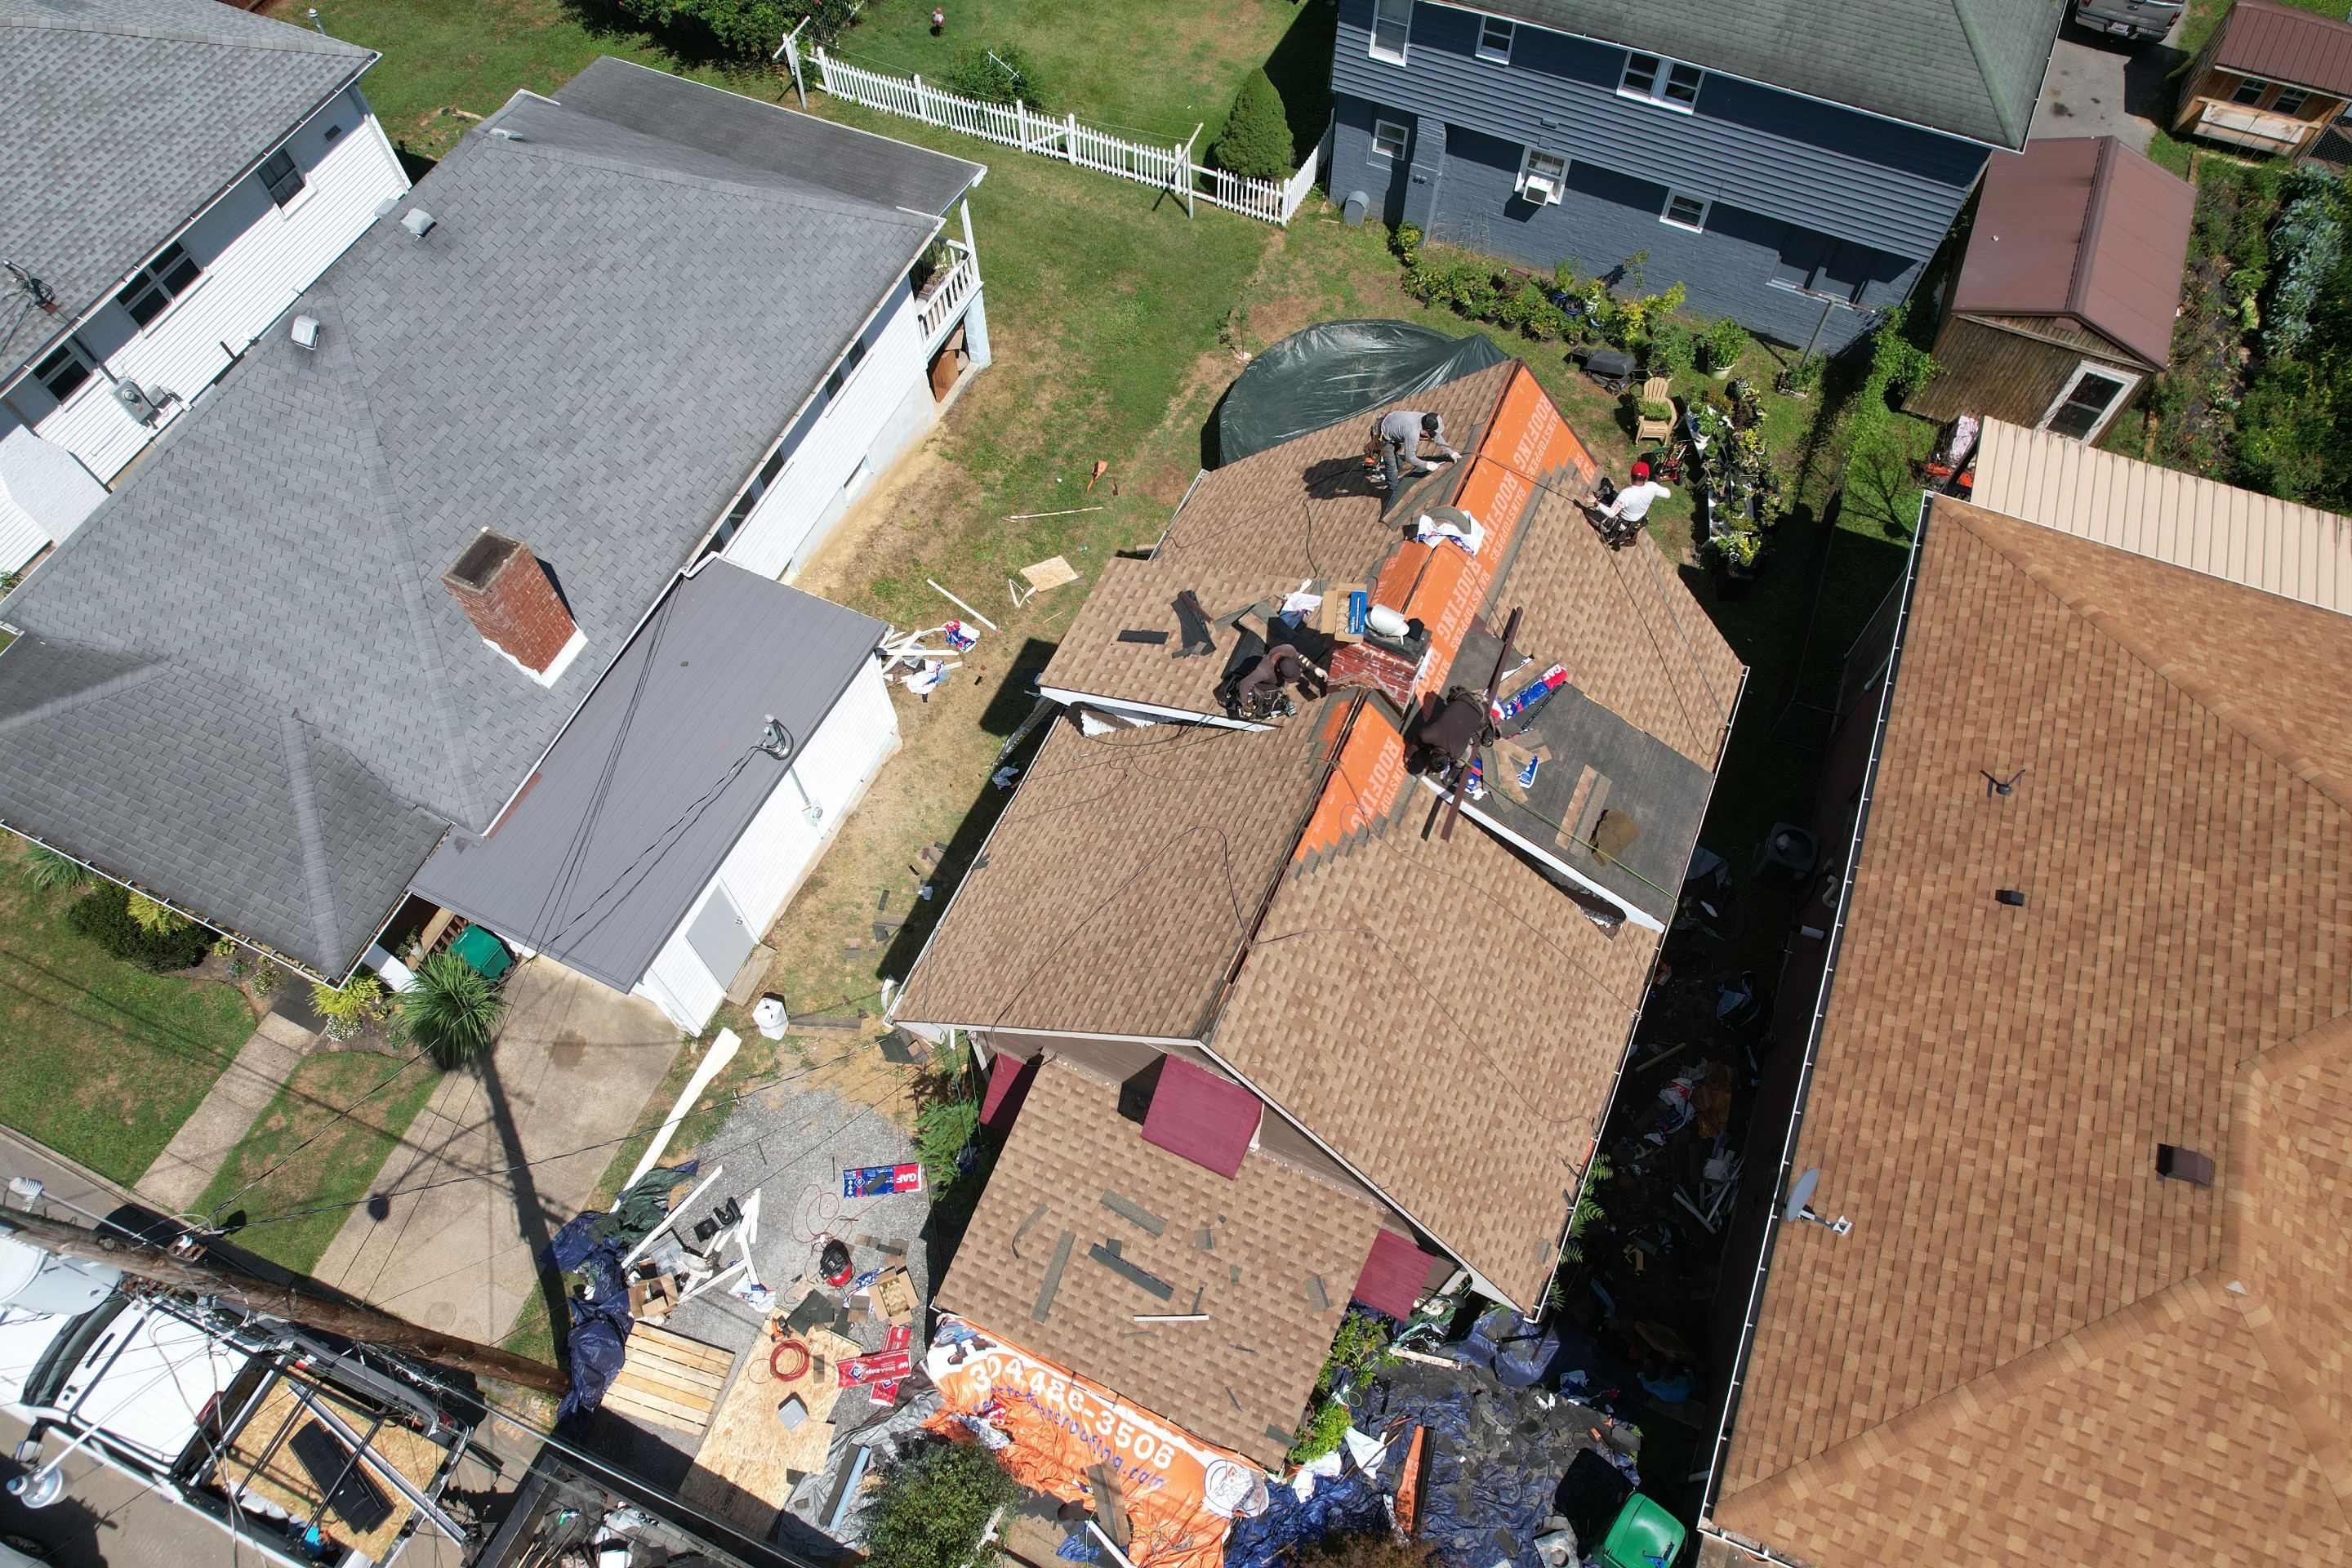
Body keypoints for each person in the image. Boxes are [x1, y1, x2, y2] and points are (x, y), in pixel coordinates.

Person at [1582, 461, 1672, 547]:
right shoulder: (1652, 487)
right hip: (1636, 520)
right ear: (1647, 476)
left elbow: (1611, 513)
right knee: (1610, 489)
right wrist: (1656, 486)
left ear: (1631, 475)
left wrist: (1595, 501)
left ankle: (1610, 532)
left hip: (1621, 522)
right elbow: (1668, 494)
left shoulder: (1626, 494)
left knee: (1589, 512)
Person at [1370, 410, 1462, 493]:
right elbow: (1409, 458)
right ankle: (1393, 489)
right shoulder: (1412, 433)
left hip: (1392, 424)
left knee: (1396, 448)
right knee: (1391, 465)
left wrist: (1451, 453)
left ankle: (1400, 466)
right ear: (1427, 429)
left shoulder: (1426, 418)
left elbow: (1436, 436)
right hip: (1381, 434)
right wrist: (1427, 465)